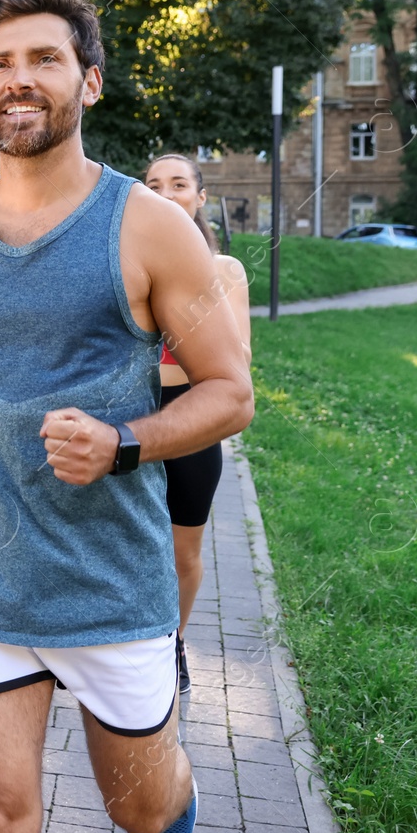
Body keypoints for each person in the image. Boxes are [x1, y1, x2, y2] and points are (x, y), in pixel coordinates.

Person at [0, 0, 254, 833]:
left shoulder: (151, 226)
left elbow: (229, 391)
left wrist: (125, 442)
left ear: (89, 81)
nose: (20, 79)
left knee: (141, 811)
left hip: (112, 587)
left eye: (45, 58)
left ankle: (175, 784)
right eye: (0, 64)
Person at [143, 153, 252, 695]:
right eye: (154, 184)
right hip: (128, 420)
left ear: (201, 196)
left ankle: (174, 642)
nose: (166, 193)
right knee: (126, 542)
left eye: (179, 184)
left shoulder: (224, 271)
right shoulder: (129, 264)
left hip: (192, 423)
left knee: (183, 552)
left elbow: (238, 364)